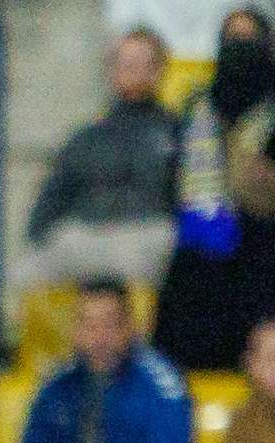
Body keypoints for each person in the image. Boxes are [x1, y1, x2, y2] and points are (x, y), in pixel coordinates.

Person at [31, 29, 188, 291]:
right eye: (124, 62)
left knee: (148, 254)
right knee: (29, 273)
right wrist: (39, 234)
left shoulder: (179, 133)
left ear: (159, 70)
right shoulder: (86, 136)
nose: (131, 69)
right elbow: (52, 198)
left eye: (141, 62)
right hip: (85, 234)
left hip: (147, 235)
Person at [22, 279, 199, 443]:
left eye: (109, 324)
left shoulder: (162, 388)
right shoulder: (56, 388)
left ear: (130, 327)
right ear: (74, 331)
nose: (99, 338)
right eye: (89, 325)